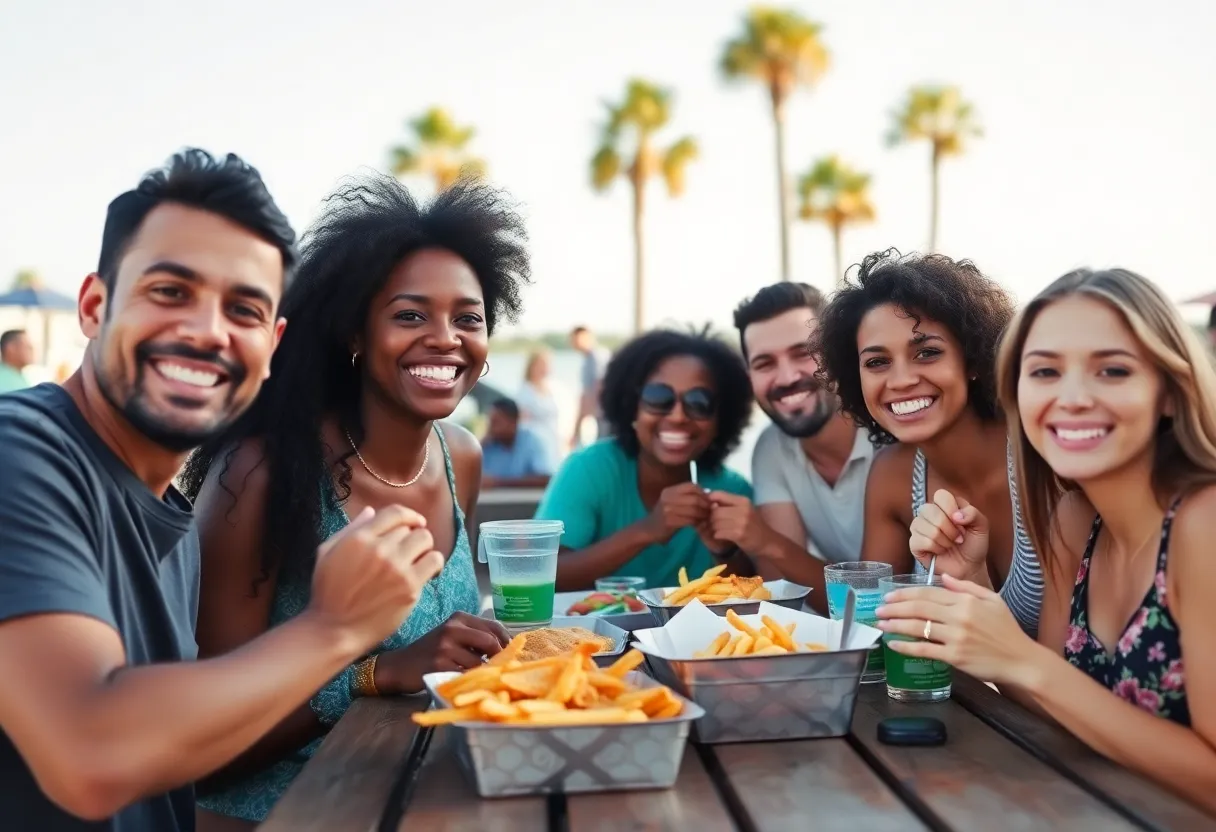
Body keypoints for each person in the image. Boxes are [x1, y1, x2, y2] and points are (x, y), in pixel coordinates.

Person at [0, 149, 443, 832]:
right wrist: (335, 629)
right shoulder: (20, 453)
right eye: (169, 292)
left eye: (243, 309)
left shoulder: (170, 515)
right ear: (94, 306)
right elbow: (91, 753)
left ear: (271, 346)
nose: (208, 332)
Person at [178, 173, 530, 828]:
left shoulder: (462, 458)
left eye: (468, 318)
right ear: (355, 334)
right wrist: (375, 674)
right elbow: (201, 744)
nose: (446, 338)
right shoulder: (259, 475)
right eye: (410, 315)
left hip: (423, 794)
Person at [877, 268, 1216, 813]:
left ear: (1171, 394)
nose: (1072, 397)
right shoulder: (1074, 520)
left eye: (1112, 370)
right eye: (1045, 372)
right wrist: (970, 585)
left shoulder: (1203, 522)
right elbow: (1053, 705)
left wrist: (1026, 662)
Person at [813, 249, 1043, 634]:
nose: (901, 380)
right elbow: (872, 631)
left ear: (973, 360)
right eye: (877, 362)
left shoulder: (1041, 455)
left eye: (927, 353)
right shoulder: (892, 475)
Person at [536, 328, 755, 590]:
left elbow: (752, 593)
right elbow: (538, 574)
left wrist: (725, 551)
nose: (678, 416)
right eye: (659, 398)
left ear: (722, 418)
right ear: (631, 407)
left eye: (699, 402)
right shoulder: (589, 469)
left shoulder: (733, 491)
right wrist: (648, 530)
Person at [715, 282, 877, 613]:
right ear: (750, 378)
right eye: (765, 363)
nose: (787, 377)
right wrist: (744, 544)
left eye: (803, 353)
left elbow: (873, 602)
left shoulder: (889, 432)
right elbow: (784, 598)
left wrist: (765, 539)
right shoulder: (772, 447)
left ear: (837, 353)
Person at [481, 397, 553, 488]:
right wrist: (480, 445)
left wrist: (498, 483)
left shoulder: (531, 441)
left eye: (496, 422)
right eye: (490, 422)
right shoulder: (488, 445)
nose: (491, 428)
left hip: (527, 497)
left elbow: (545, 479)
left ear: (513, 422)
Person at [515, 348, 562, 467]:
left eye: (547, 364)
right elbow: (522, 423)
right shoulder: (525, 392)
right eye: (541, 364)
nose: (545, 368)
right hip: (536, 446)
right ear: (532, 366)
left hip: (553, 442)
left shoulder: (552, 389)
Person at [569, 324, 610, 445]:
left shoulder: (598, 356)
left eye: (578, 339)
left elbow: (599, 385)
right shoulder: (587, 361)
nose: (576, 343)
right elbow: (585, 394)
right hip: (597, 416)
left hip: (605, 416)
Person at [0, 329, 34, 393]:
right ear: (11, 348)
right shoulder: (5, 381)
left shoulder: (17, 376)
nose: (32, 350)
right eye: (28, 347)